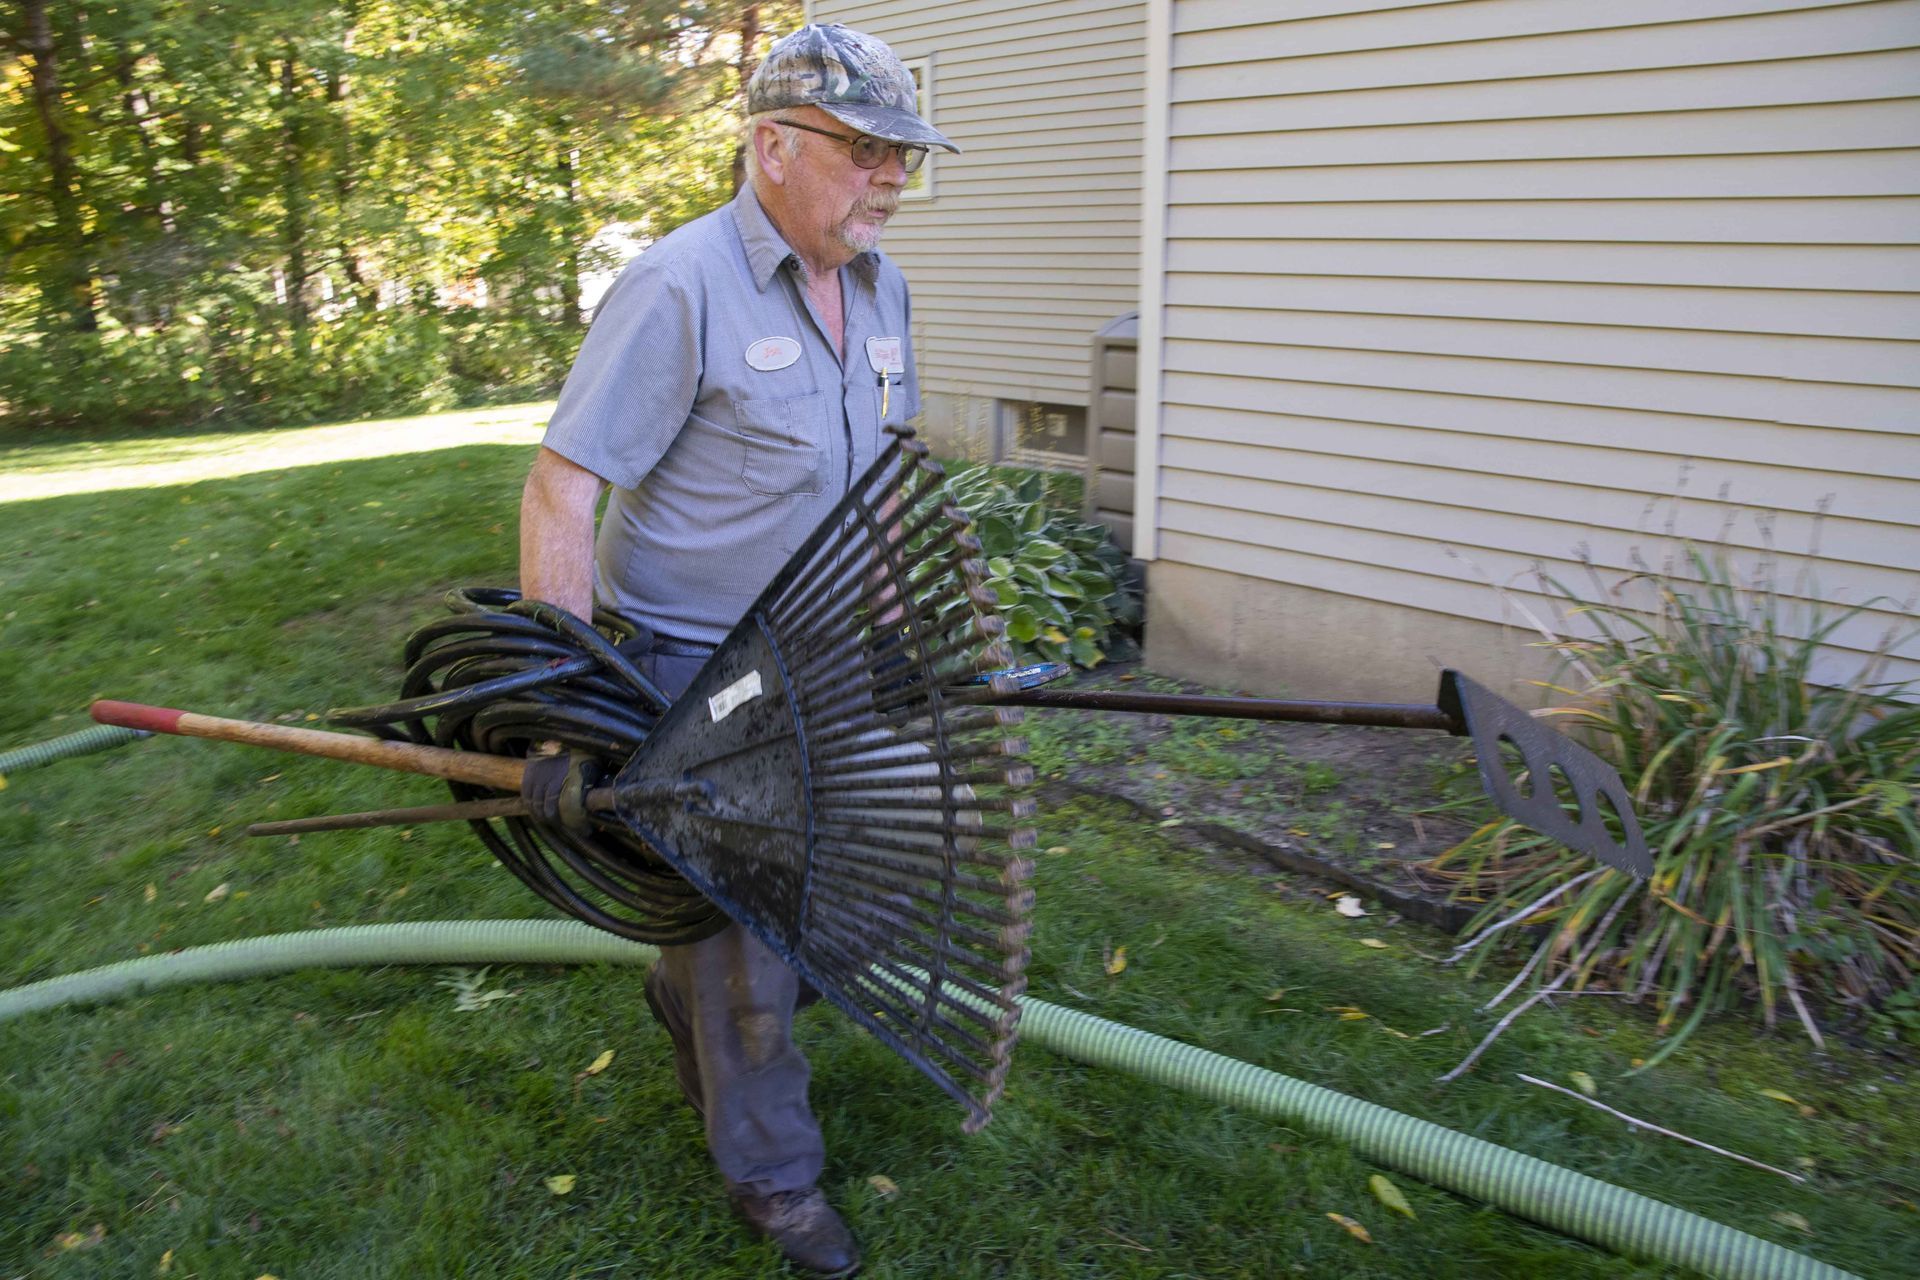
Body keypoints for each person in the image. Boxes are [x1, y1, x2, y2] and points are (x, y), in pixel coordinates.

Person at [516, 23, 957, 1277]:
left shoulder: (884, 289)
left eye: (905, 157)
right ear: (771, 147)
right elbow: (563, 491)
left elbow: (877, 484)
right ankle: (774, 1172)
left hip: (823, 652)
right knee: (748, 950)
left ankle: (691, 997)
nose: (891, 180)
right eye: (867, 151)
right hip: (693, 669)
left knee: (865, 904)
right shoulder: (679, 285)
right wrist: (563, 709)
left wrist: (887, 640)